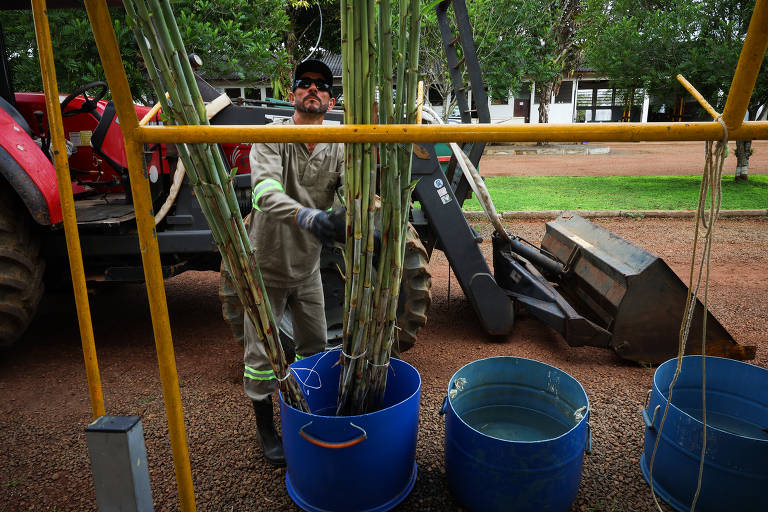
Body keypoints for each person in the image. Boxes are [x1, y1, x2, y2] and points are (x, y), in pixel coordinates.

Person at [243, 59, 343, 466]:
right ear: (292, 95)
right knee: (260, 355)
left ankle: (302, 412)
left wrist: (358, 217)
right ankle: (266, 430)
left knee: (315, 345)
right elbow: (263, 190)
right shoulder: (271, 137)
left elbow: (351, 188)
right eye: (305, 83)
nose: (313, 89)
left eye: (321, 85)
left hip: (307, 268)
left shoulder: (342, 139)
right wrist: (308, 215)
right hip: (266, 266)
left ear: (331, 99)